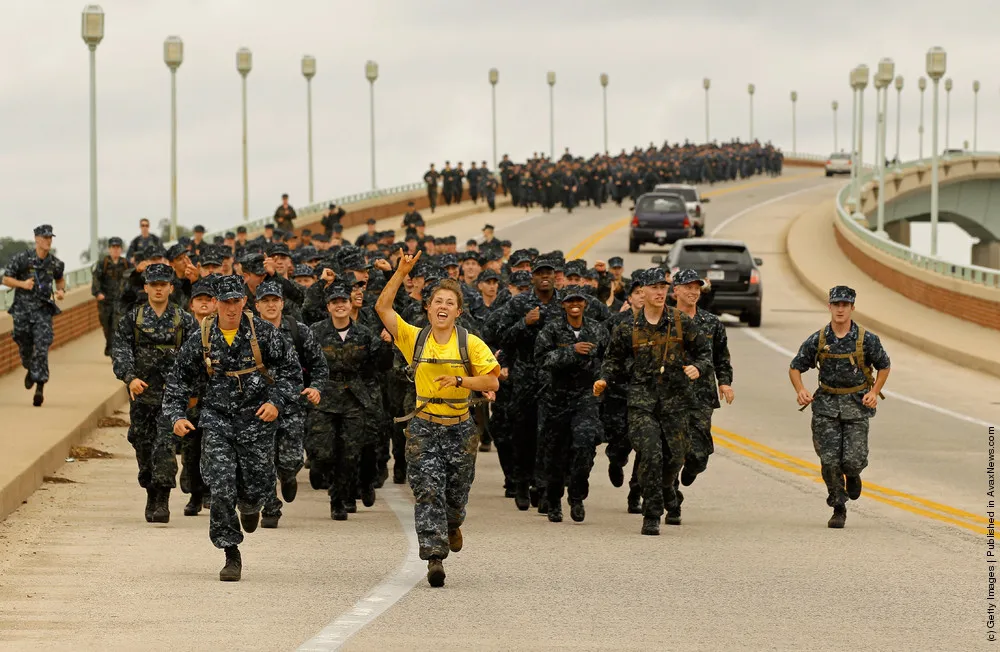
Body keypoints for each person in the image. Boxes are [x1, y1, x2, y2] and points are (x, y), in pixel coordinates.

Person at [162, 274, 302, 582]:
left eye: (236, 301)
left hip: (256, 421)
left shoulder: (264, 333)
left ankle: (252, 504)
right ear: (214, 304)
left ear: (244, 301)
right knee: (222, 485)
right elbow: (177, 380)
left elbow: (292, 372)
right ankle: (230, 552)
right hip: (217, 420)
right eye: (225, 302)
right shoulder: (203, 337)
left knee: (257, 485)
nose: (231, 308)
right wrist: (176, 415)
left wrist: (276, 402)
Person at [375, 251, 500, 588]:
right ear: (428, 308)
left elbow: (492, 381)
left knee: (455, 498)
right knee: (428, 491)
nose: (442, 306)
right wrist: (401, 273)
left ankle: (453, 523)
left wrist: (461, 381)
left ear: (458, 312)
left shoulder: (470, 344)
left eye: (450, 302)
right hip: (424, 426)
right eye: (437, 301)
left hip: (460, 428)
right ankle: (434, 556)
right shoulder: (414, 338)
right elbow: (383, 309)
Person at [594, 268, 711, 536]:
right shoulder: (628, 327)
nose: (660, 292)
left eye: (663, 287)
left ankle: (667, 487)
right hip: (641, 402)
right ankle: (652, 513)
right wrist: (604, 380)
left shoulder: (681, 322)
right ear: (642, 291)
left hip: (676, 403)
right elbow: (611, 360)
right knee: (650, 454)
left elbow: (704, 353)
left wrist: (698, 368)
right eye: (654, 287)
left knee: (675, 457)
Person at [789, 285, 890, 529]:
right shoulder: (819, 339)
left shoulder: (866, 339)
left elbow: (884, 365)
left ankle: (853, 475)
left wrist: (874, 392)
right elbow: (795, 367)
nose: (840, 309)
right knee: (829, 460)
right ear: (830, 307)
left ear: (852, 307)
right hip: (826, 406)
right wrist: (800, 390)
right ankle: (838, 506)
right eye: (836, 304)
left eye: (845, 304)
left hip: (856, 405)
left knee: (853, 460)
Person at [111, 263, 199, 523]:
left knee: (165, 445)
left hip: (172, 397)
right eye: (154, 284)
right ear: (146, 287)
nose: (159, 289)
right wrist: (130, 378)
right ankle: (151, 489)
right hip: (143, 394)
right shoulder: (133, 319)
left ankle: (162, 499)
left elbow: (194, 358)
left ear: (171, 288)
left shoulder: (184, 320)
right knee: (142, 445)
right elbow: (121, 351)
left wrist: (189, 391)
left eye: (164, 284)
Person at [308, 281, 389, 520]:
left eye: (343, 301)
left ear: (349, 303)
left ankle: (339, 500)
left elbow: (382, 365)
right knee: (323, 451)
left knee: (350, 453)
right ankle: (326, 478)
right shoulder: (315, 332)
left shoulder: (364, 333)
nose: (340, 306)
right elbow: (303, 362)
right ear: (328, 307)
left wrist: (387, 344)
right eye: (335, 302)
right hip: (325, 396)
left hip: (355, 398)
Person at [254, 281, 327, 528]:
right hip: (259, 406)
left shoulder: (299, 331)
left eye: (275, 300)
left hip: (292, 405)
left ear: (283, 303)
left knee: (289, 459)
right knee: (263, 460)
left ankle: (287, 476)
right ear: (257, 306)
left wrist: (316, 387)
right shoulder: (249, 333)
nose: (271, 305)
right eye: (266, 301)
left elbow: (319, 365)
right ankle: (270, 509)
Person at [533, 286, 607, 523]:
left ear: (585, 303)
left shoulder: (597, 329)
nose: (575, 304)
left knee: (585, 447)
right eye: (569, 301)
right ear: (563, 304)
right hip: (557, 399)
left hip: (586, 398)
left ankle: (577, 497)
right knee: (555, 454)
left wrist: (603, 381)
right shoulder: (552, 329)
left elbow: (611, 360)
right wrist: (571, 352)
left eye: (579, 300)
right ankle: (554, 500)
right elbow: (542, 360)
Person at [669, 269, 734, 511]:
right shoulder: (663, 321)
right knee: (673, 449)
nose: (693, 292)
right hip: (669, 395)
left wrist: (724, 382)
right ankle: (672, 498)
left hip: (701, 396)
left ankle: (692, 468)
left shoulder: (712, 323)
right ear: (676, 290)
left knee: (699, 452)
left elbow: (722, 358)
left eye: (697, 288)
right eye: (688, 287)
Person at [2, 224, 66, 406]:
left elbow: (60, 279)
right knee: (24, 344)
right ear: (36, 239)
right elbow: (6, 278)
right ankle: (30, 369)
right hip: (22, 310)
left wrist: (61, 291)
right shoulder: (23, 259)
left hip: (43, 311)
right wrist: (22, 284)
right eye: (45, 237)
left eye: (50, 238)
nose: (48, 241)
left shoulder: (55, 263)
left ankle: (40, 387)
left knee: (42, 346)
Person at [92, 236, 130, 356]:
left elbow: (133, 278)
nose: (115, 250)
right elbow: (96, 279)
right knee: (106, 326)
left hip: (119, 301)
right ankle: (109, 345)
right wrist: (98, 293)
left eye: (118, 247)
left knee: (116, 326)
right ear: (109, 249)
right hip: (105, 301)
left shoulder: (126, 264)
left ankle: (115, 351)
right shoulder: (102, 264)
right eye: (113, 247)